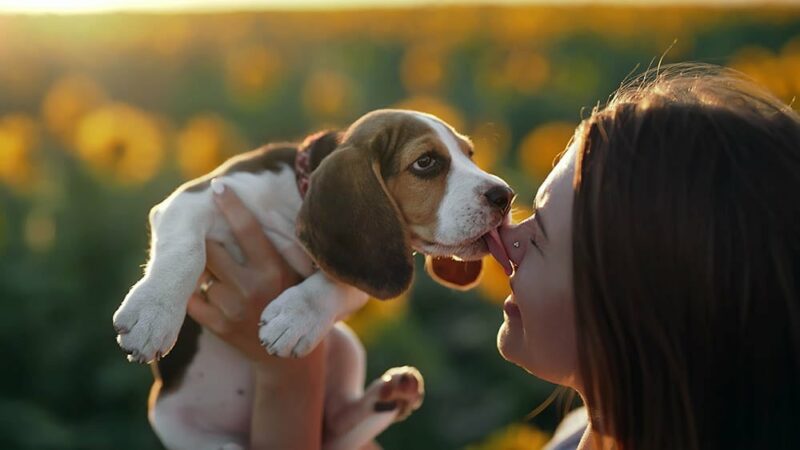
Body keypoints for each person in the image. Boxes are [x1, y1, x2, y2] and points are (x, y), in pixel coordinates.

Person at [189, 64, 800, 450]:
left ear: (644, 304)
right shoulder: (573, 435)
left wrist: (290, 380)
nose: (504, 239)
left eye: (546, 234)